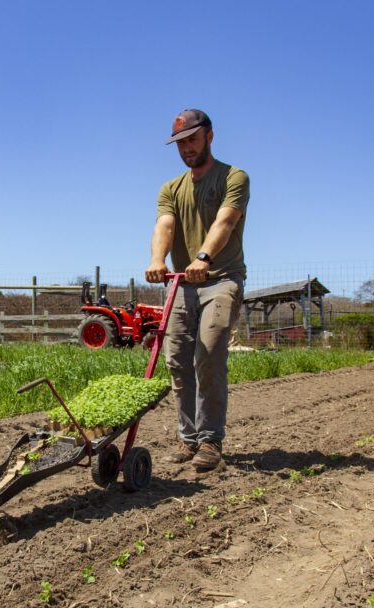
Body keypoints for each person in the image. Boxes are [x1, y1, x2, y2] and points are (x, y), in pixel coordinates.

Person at [145, 109, 249, 473]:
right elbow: (165, 224)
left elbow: (226, 220)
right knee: (176, 359)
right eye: (180, 143)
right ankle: (187, 439)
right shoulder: (170, 188)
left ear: (209, 136)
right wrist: (158, 259)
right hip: (182, 284)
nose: (186, 148)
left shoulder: (233, 177)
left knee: (208, 351)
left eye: (192, 139)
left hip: (221, 278)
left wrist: (203, 256)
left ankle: (210, 440)